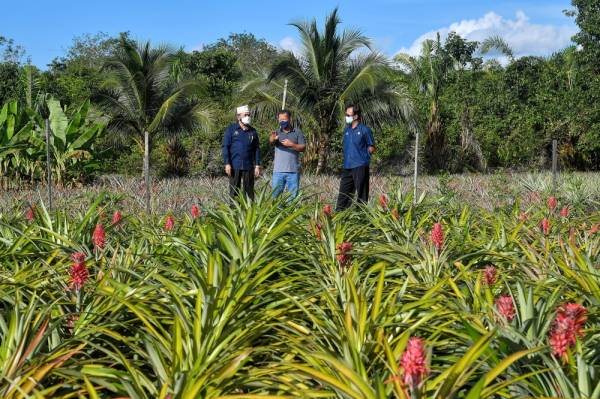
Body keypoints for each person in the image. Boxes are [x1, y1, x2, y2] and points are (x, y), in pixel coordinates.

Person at [335, 104, 376, 211]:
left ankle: (361, 217)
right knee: (344, 192)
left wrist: (364, 158)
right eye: (346, 114)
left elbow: (371, 147)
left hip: (360, 166)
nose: (346, 117)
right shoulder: (346, 130)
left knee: (362, 194)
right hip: (347, 166)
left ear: (356, 116)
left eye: (349, 115)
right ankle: (339, 215)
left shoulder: (365, 130)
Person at [222, 105, 261, 200]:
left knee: (249, 191)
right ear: (238, 117)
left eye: (249, 115)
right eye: (245, 115)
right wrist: (227, 163)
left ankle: (249, 212)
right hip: (234, 165)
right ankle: (234, 212)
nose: (248, 117)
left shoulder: (253, 131)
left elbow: (256, 148)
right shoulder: (231, 130)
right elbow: (225, 147)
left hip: (248, 166)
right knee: (234, 191)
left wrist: (257, 165)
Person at [269, 109, 306, 200]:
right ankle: (276, 214)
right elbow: (270, 141)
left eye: (284, 119)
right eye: (280, 120)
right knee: (275, 197)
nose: (282, 122)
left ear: (290, 119)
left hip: (293, 171)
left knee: (292, 198)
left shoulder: (297, 132)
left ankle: (290, 214)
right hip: (278, 171)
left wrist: (292, 145)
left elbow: (303, 148)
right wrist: (273, 139)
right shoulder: (276, 132)